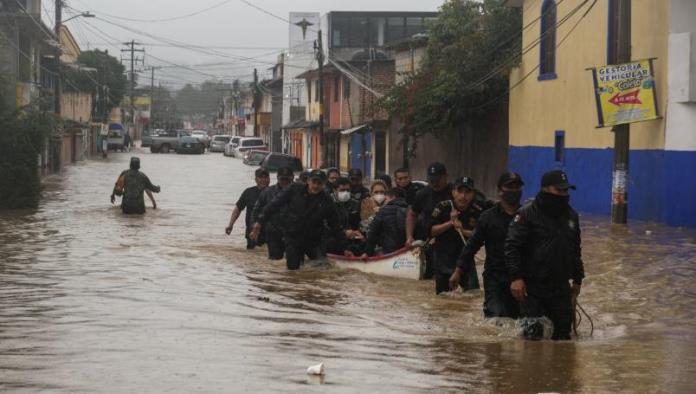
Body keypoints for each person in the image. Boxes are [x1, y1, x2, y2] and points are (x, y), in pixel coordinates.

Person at [505, 170, 585, 341]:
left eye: (566, 191)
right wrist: (516, 278)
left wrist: (578, 279)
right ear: (545, 189)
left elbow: (575, 249)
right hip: (532, 288)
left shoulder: (571, 216)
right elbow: (512, 247)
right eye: (559, 190)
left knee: (563, 339)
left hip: (560, 288)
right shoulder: (526, 214)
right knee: (532, 339)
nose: (563, 194)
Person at [450, 172, 525, 319]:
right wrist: (458, 271)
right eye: (510, 187)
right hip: (495, 279)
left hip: (522, 279)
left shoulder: (527, 216)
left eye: (517, 187)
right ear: (500, 191)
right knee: (495, 322)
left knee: (523, 323)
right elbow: (471, 246)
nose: (514, 191)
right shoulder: (488, 217)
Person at [250, 170, 345, 270]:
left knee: (322, 268)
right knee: (293, 271)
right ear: (308, 181)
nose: (316, 186)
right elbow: (273, 205)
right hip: (293, 237)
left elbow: (335, 225)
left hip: (315, 239)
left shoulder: (326, 200)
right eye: (314, 182)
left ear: (324, 184)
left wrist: (344, 247)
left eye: (319, 183)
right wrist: (259, 223)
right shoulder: (294, 189)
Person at [429, 176, 482, 294]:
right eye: (460, 191)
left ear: (473, 194)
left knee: (473, 296)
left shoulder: (477, 210)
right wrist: (450, 223)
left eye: (467, 192)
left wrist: (462, 230)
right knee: (444, 299)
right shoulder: (443, 207)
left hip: (466, 261)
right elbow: (432, 231)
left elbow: (479, 235)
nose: (463, 196)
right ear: (453, 192)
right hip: (443, 261)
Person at [405, 162, 452, 279]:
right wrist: (409, 237)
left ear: (446, 176)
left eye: (438, 180)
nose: (434, 183)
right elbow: (412, 214)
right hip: (429, 241)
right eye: (431, 180)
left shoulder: (455, 193)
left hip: (451, 240)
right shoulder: (423, 194)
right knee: (429, 277)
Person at [252, 167, 294, 260]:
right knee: (274, 261)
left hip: (293, 233)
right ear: (277, 178)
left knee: (294, 262)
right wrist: (255, 227)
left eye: (287, 179)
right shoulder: (267, 192)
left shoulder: (299, 191)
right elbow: (256, 210)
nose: (285, 182)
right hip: (273, 232)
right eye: (282, 179)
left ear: (292, 178)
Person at [225, 168, 270, 249]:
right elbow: (238, 209)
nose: (264, 180)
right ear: (256, 179)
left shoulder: (274, 192)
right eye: (261, 177)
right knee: (251, 257)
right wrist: (230, 225)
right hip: (251, 232)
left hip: (269, 232)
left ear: (269, 179)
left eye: (266, 177)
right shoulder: (248, 192)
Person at [364, 187, 408, 256]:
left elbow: (373, 233)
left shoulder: (383, 211)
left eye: (386, 198)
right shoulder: (410, 211)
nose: (385, 201)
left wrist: (368, 253)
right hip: (406, 252)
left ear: (392, 197)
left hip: (389, 252)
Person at [326, 177, 362, 255]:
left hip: (351, 238)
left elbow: (358, 221)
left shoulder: (355, 203)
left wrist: (358, 231)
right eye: (342, 190)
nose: (345, 193)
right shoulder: (327, 203)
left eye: (348, 190)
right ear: (335, 190)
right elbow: (326, 225)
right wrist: (344, 232)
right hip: (332, 239)